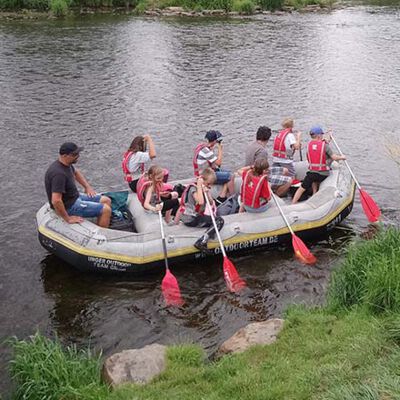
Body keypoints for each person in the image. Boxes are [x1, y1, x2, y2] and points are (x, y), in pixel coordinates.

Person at [45, 142, 111, 228]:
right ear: (65, 156)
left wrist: (87, 187)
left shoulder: (66, 165)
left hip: (74, 197)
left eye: (78, 153)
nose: (78, 156)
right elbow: (56, 200)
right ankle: (102, 234)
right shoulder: (58, 174)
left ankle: (103, 220)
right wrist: (67, 218)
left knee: (106, 200)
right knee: (106, 210)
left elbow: (76, 173)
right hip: (69, 206)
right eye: (75, 154)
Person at [292, 126, 346, 204]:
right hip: (323, 173)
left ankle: (293, 203)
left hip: (311, 172)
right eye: (322, 135)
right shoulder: (325, 146)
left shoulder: (309, 145)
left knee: (302, 188)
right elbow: (333, 157)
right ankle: (314, 194)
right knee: (317, 177)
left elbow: (319, 146)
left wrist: (329, 137)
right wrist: (342, 157)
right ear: (319, 136)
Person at [179, 168, 224, 252]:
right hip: (190, 218)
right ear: (202, 180)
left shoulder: (204, 188)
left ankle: (204, 238)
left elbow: (210, 202)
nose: (209, 186)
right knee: (219, 221)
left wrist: (207, 192)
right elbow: (200, 202)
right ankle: (202, 241)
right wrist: (200, 186)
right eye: (208, 183)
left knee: (215, 218)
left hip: (195, 216)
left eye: (211, 184)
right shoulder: (194, 188)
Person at [245, 125, 292, 197]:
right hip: (258, 174)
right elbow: (260, 170)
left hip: (252, 170)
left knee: (285, 170)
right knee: (289, 180)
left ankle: (276, 188)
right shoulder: (262, 151)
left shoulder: (251, 145)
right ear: (268, 138)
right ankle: (276, 195)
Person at [193, 130, 235, 197]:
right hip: (205, 175)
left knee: (227, 172)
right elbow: (218, 163)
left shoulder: (202, 147)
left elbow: (213, 164)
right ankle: (233, 197)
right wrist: (220, 149)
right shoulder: (206, 151)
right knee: (230, 176)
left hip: (204, 172)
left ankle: (223, 195)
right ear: (215, 141)